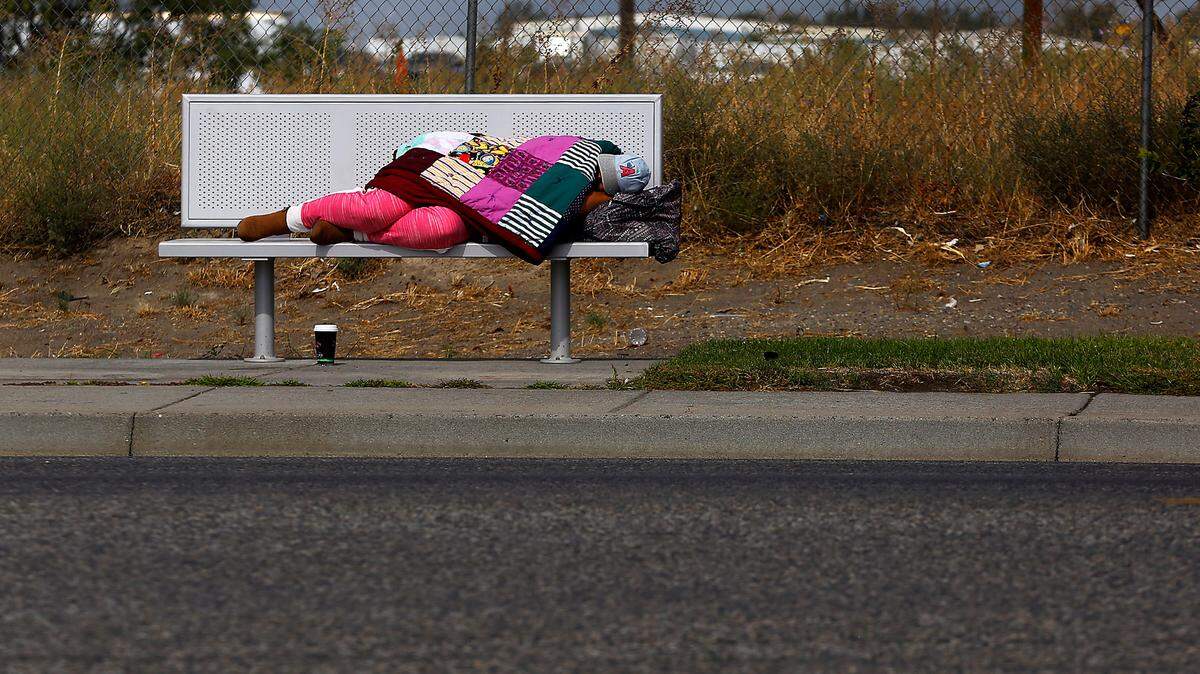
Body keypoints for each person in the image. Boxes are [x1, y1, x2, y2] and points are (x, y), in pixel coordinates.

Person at [236, 132, 651, 249]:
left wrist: (600, 195)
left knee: (442, 229)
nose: (596, 180)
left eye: (606, 184)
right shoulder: (577, 152)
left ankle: (348, 234)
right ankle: (280, 220)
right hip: (445, 160)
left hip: (469, 208)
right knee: (379, 206)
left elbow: (586, 202)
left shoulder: (590, 198)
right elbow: (536, 157)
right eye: (601, 173)